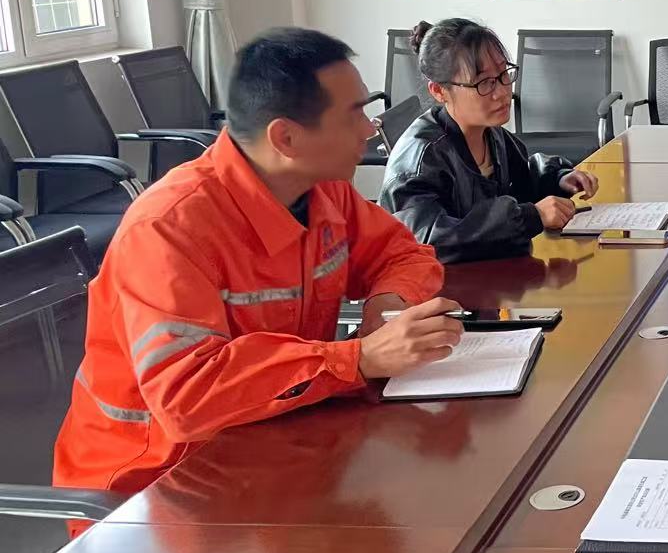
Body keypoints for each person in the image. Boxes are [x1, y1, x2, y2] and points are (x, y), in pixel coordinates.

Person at [55, 28, 457, 498]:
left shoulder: (322, 189)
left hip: (275, 439)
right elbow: (188, 395)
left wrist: (386, 306)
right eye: (354, 114)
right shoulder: (169, 229)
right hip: (156, 485)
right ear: (286, 137)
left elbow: (403, 253)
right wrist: (358, 358)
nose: (370, 129)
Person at [381, 19, 600, 263]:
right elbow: (429, 241)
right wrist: (530, 216)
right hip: (436, 284)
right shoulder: (422, 158)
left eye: (503, 74)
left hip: (490, 274)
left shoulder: (491, 133)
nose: (503, 92)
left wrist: (557, 179)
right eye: (484, 82)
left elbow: (522, 177)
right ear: (439, 91)